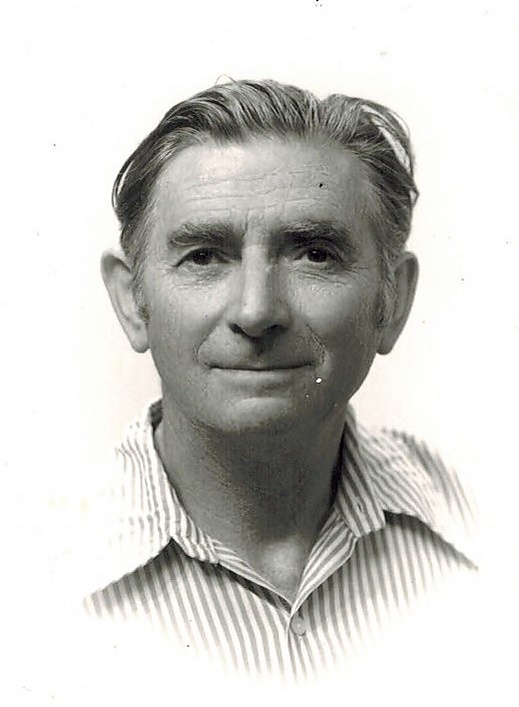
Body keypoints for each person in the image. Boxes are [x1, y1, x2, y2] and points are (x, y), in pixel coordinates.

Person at [82, 79, 478, 685]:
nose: (256, 310)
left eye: (315, 254)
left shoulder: (483, 524)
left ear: (392, 301)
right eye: (204, 256)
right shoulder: (33, 568)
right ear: (133, 303)